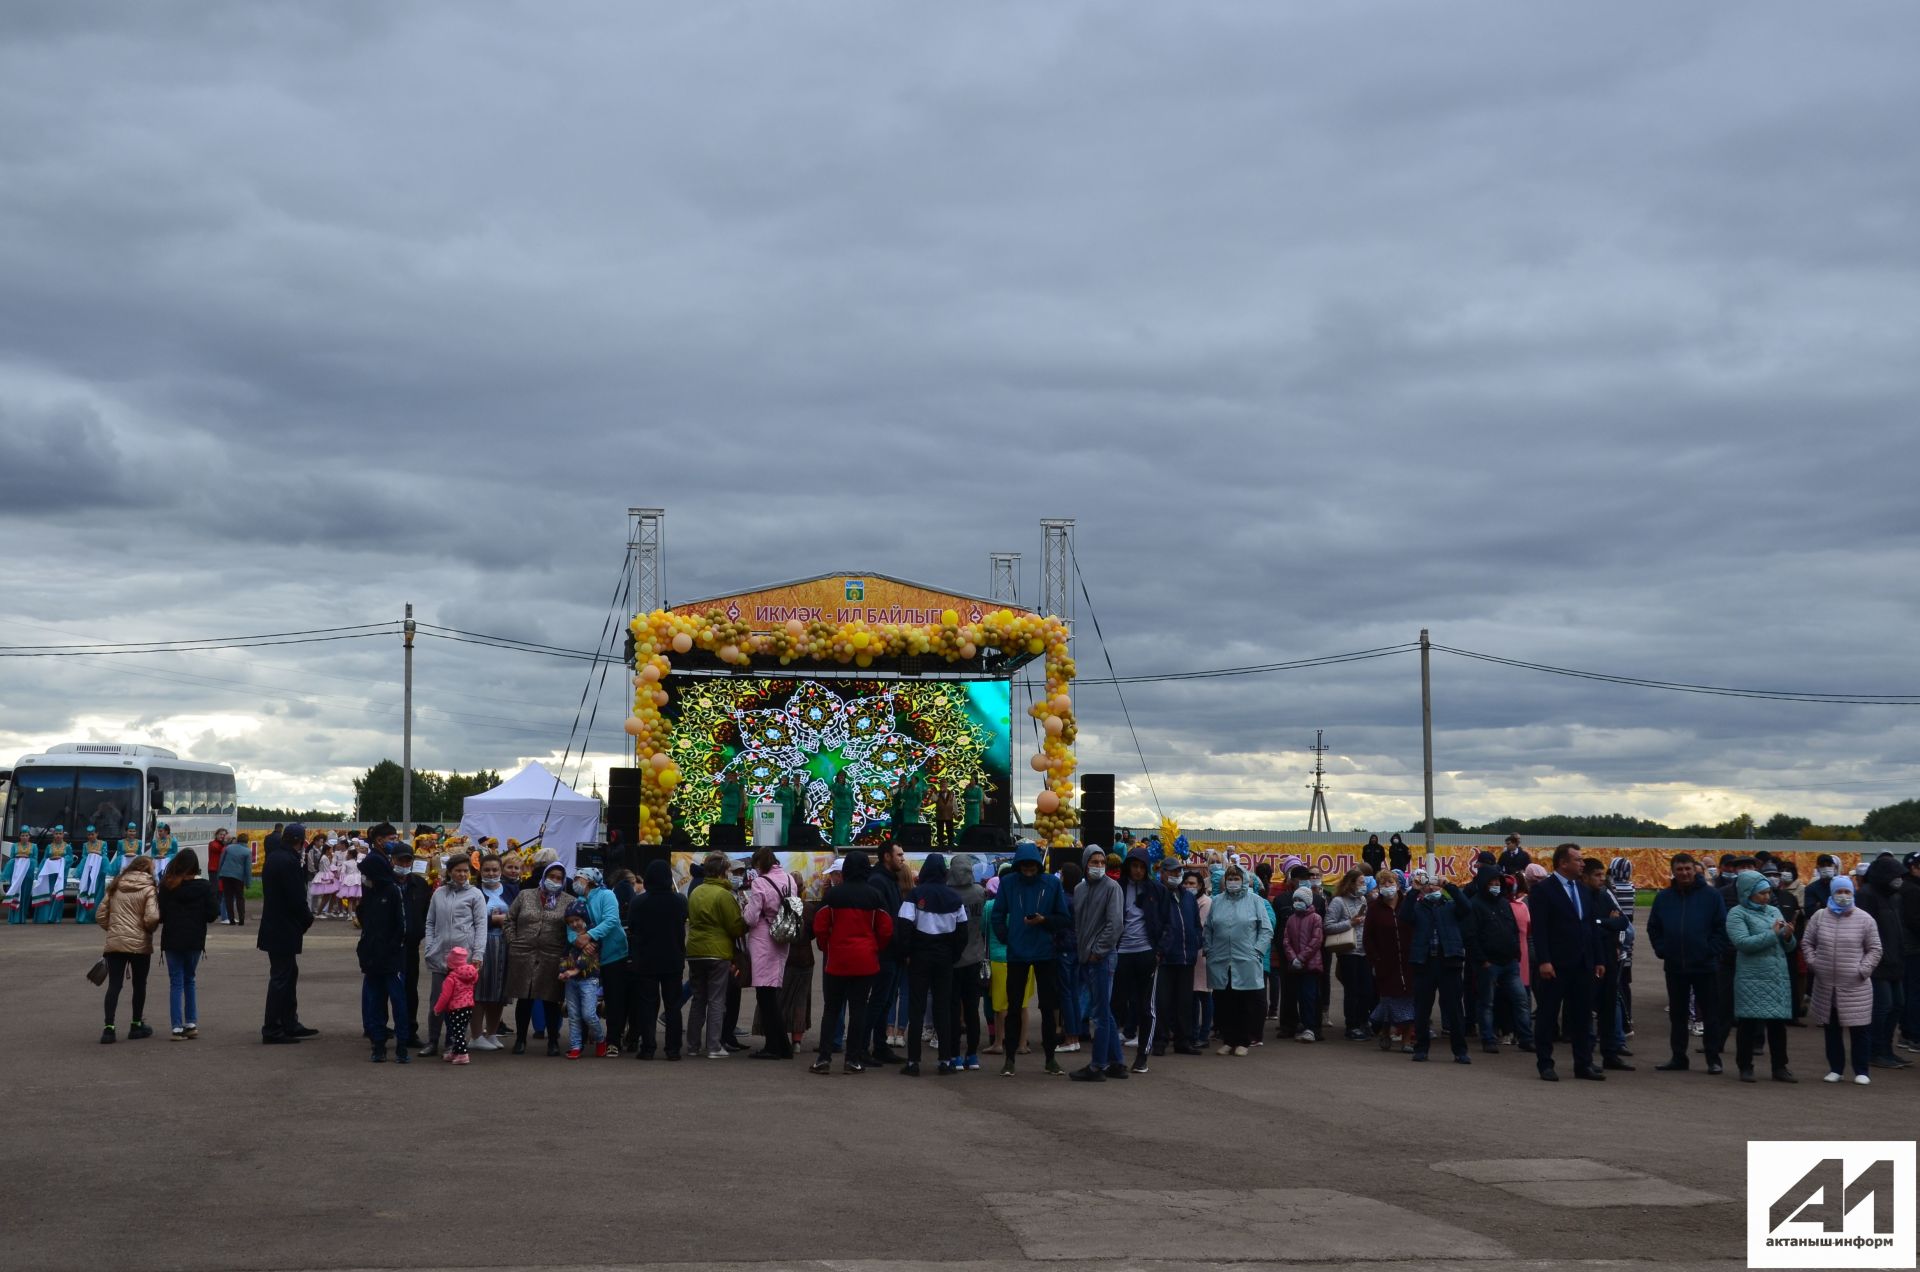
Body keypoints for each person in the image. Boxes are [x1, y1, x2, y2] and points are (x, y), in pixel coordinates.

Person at [991, 841, 1072, 1078]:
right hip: (1017, 953)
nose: (1028, 869)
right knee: (1013, 1007)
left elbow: (1063, 919)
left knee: (1048, 1008)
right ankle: (1009, 1059)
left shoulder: (1052, 883)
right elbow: (997, 915)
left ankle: (1050, 1058)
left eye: (1032, 866)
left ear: (1038, 865)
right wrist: (1007, 937)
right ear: (1018, 865)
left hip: (1046, 953)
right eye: (1024, 866)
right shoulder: (1008, 884)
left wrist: (1044, 921)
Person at [811, 850, 894, 1074]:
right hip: (865, 960)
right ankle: (853, 1059)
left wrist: (826, 945)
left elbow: (819, 925)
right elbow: (886, 929)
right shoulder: (875, 895)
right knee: (859, 1009)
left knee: (832, 1009)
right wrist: (875, 946)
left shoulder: (834, 895)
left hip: (837, 959)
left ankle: (824, 1058)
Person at [1528, 843, 1606, 1082]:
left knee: (1582, 1016)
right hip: (1556, 965)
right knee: (1548, 1015)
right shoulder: (1544, 891)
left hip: (1583, 963)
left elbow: (1591, 926)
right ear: (1563, 863)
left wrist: (1598, 958)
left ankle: (1583, 1063)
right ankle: (1545, 1064)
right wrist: (1544, 961)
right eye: (1578, 860)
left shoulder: (1583, 890)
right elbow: (1539, 930)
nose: (1583, 864)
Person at [1647, 852, 1728, 1073]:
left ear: (1695, 869)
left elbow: (1722, 928)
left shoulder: (1711, 896)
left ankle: (1713, 1058)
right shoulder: (1664, 897)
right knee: (1678, 1014)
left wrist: (1710, 951)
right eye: (1679, 869)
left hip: (1704, 965)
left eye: (1687, 869)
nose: (1684, 873)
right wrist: (1662, 949)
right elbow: (1654, 927)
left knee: (1710, 1014)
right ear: (1672, 871)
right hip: (1675, 966)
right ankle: (1678, 1057)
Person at [1802, 874, 1881, 1085]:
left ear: (1853, 893)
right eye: (1839, 892)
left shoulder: (1865, 919)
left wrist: (1862, 970)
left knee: (1859, 1029)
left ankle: (1861, 1070)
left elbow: (1874, 949)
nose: (1843, 896)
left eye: (1847, 892)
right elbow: (1807, 943)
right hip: (1826, 984)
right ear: (1832, 893)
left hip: (1856, 985)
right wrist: (1814, 963)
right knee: (1832, 1028)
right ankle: (1835, 1068)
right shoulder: (1819, 917)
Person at [896, 852, 967, 1075]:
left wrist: (906, 953)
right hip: (945, 958)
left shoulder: (915, 895)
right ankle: (945, 1060)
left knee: (916, 1008)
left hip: (919, 957)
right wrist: (953, 955)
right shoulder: (955, 898)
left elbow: (904, 926)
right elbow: (962, 933)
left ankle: (913, 1062)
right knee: (943, 1008)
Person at [1725, 869, 1797, 1083]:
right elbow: (1743, 943)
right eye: (1761, 893)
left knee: (1777, 1025)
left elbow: (1789, 947)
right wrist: (1773, 934)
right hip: (1752, 977)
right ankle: (1745, 1066)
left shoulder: (1774, 911)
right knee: (1748, 1023)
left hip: (1776, 976)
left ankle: (1780, 1067)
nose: (1767, 897)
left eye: (1768, 893)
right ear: (1748, 893)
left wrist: (1788, 936)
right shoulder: (1737, 913)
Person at [1112, 844, 1172, 1073]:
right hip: (1121, 953)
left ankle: (1142, 1055)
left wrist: (1158, 952)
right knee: (1116, 1004)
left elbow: (1168, 924)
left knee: (1147, 1007)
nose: (1137, 871)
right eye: (1133, 866)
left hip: (1147, 952)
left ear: (1147, 869)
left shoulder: (1158, 891)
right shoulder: (1117, 888)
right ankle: (1113, 1054)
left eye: (1141, 867)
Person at [257, 822, 317, 1045]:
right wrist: (307, 918)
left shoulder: (274, 858)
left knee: (288, 974)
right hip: (284, 927)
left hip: (275, 926)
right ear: (299, 841)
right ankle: (273, 1027)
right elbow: (296, 896)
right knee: (282, 977)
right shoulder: (289, 861)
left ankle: (288, 1022)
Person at [504, 856, 570, 1057]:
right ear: (543, 876)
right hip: (523, 954)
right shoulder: (525, 895)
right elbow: (509, 920)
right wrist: (513, 941)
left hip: (552, 955)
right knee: (525, 998)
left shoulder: (569, 901)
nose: (554, 880)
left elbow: (573, 928)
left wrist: (565, 954)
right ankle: (520, 1040)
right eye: (551, 876)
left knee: (551, 1000)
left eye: (559, 878)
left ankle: (553, 1041)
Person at [1068, 845, 1123, 1081]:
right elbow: (1079, 924)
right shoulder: (1080, 889)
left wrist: (1097, 952)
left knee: (1099, 1013)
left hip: (1103, 958)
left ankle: (1097, 1065)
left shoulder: (1112, 888)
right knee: (1103, 1010)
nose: (1099, 866)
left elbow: (1115, 924)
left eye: (1102, 862)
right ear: (1085, 863)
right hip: (1086, 957)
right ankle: (1117, 1063)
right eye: (1094, 862)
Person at [1204, 862, 1271, 1055]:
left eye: (1237, 878)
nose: (1233, 882)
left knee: (1245, 1001)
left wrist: (1257, 951)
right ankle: (1228, 1039)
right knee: (1224, 1001)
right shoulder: (1217, 900)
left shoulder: (1255, 901)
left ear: (1244, 881)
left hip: (1246, 959)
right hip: (1221, 959)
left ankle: (1244, 1040)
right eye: (1230, 878)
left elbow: (1266, 930)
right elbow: (1208, 928)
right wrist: (1209, 949)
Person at [422, 855, 487, 1057]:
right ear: (449, 871)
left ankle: (453, 1042)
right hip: (440, 956)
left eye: (466, 871)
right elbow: (430, 922)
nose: (462, 874)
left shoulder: (475, 895)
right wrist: (430, 946)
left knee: (457, 1004)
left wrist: (477, 954)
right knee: (436, 1001)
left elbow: (481, 926)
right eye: (458, 870)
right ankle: (433, 1040)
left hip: (463, 961)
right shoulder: (439, 893)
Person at [1405, 874, 1471, 1064]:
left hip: (1449, 961)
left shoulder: (1450, 907)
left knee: (1454, 1009)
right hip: (1424, 963)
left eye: (1436, 886)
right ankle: (1421, 1048)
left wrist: (1450, 886)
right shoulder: (1418, 907)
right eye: (1429, 886)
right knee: (1422, 1009)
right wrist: (1414, 891)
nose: (1432, 889)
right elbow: (1404, 916)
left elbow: (1467, 907)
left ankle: (1460, 1050)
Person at [686, 852, 746, 1059]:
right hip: (718, 952)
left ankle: (693, 1046)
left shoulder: (696, 892)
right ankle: (713, 1046)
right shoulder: (724, 895)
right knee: (717, 1000)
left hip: (695, 950)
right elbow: (735, 927)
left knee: (698, 998)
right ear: (722, 872)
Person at [1465, 865, 1531, 1055]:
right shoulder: (1475, 905)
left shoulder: (1503, 903)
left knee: (1521, 1000)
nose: (1495, 885)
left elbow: (1513, 930)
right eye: (1492, 882)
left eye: (1497, 882)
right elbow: (1471, 936)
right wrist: (1482, 960)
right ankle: (1488, 1038)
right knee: (1487, 1002)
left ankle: (1526, 1038)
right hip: (1489, 963)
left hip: (1509, 961)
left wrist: (1516, 953)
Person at [355, 848, 412, 1063]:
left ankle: (402, 1046)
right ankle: (378, 1044)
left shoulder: (393, 891)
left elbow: (402, 927)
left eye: (367, 874)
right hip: (371, 960)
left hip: (392, 960)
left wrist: (391, 950)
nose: (364, 878)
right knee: (375, 1004)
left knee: (398, 1003)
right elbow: (365, 923)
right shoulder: (369, 893)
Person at [97, 855, 161, 1043]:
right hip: (139, 945)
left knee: (114, 985)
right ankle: (136, 1024)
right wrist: (147, 931)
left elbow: (100, 914)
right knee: (139, 985)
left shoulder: (115, 885)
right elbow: (152, 917)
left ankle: (109, 1028)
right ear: (147, 870)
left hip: (115, 943)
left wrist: (114, 928)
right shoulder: (149, 888)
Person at [629, 859, 688, 1061]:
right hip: (673, 958)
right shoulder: (680, 901)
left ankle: (648, 1047)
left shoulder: (638, 902)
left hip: (646, 960)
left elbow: (633, 929)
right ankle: (673, 1049)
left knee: (647, 1005)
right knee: (673, 1005)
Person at [741, 847, 797, 1060]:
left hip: (764, 939)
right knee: (772, 991)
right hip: (784, 935)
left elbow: (751, 918)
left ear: (759, 865)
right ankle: (782, 1044)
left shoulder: (760, 883)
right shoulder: (790, 879)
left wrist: (745, 907)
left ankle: (775, 1046)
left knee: (765, 995)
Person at [156, 850, 218, 1041]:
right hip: (194, 938)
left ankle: (176, 1027)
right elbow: (212, 914)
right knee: (189, 979)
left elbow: (162, 915)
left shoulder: (167, 885)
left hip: (173, 938)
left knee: (176, 982)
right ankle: (191, 1023)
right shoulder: (204, 886)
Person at [1582, 858, 1635, 1071]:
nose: (1601, 879)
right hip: (1591, 960)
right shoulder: (1582, 897)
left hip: (1610, 959)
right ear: (1585, 877)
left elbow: (1622, 922)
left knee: (1608, 1007)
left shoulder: (1604, 896)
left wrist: (1601, 922)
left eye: (1603, 875)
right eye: (1597, 875)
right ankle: (1586, 1057)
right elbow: (1585, 925)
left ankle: (1610, 1053)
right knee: (1586, 1009)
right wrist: (1604, 923)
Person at [569, 866, 629, 1057]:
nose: (575, 882)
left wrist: (589, 936)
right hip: (588, 956)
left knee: (614, 998)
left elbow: (611, 920)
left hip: (613, 954)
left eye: (578, 878)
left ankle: (613, 1040)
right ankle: (585, 1037)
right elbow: (570, 925)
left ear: (589, 880)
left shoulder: (607, 895)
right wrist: (578, 941)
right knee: (585, 997)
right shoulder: (578, 901)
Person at [862, 839, 908, 1065]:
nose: (902, 858)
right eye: (899, 854)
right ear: (887, 857)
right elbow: (883, 919)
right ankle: (863, 1047)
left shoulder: (888, 879)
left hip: (893, 951)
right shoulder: (879, 881)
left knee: (886, 1000)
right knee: (879, 1001)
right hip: (885, 951)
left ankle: (880, 1046)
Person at [1153, 856, 1202, 1056]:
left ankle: (1184, 1041)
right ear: (1162, 873)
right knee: (1162, 1003)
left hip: (1186, 957)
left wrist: (1196, 942)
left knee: (1185, 1002)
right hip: (1164, 958)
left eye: (1178, 872)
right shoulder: (1156, 894)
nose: (1176, 875)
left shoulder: (1188, 897)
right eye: (1172, 872)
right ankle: (1160, 1041)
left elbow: (1196, 925)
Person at [469, 853, 516, 1051]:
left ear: (500, 871)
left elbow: (518, 914)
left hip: (505, 944)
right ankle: (476, 1035)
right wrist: (493, 920)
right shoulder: (474, 891)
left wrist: (506, 920)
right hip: (482, 943)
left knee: (499, 990)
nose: (491, 873)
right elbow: (470, 918)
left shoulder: (512, 889)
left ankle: (492, 1033)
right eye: (487, 870)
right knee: (479, 990)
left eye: (495, 870)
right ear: (481, 871)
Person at [1364, 869, 1415, 1051]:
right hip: (1386, 962)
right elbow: (1368, 937)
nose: (1387, 887)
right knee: (1389, 1000)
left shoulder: (1408, 904)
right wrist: (1375, 959)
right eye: (1383, 884)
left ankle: (1407, 1039)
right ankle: (1385, 1032)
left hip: (1408, 961)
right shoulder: (1374, 909)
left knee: (1410, 999)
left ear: (1398, 885)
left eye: (1390, 883)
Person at [946, 852, 988, 1070]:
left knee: (953, 1009)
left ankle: (954, 1055)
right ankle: (972, 1054)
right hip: (975, 956)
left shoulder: (947, 894)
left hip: (953, 960)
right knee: (972, 1010)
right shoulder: (980, 892)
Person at [1281, 885, 1325, 1044]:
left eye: (1300, 900)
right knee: (1298, 996)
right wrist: (1293, 958)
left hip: (1310, 966)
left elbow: (1316, 941)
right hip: (1295, 966)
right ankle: (1302, 1024)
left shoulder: (1316, 918)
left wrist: (1301, 958)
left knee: (1309, 996)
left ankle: (1311, 1027)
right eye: (1295, 900)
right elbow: (1286, 941)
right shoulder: (1291, 919)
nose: (1297, 903)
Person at [434, 946, 480, 1065]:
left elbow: (445, 996)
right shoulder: (471, 974)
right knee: (461, 1030)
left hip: (456, 1008)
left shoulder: (451, 978)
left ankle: (463, 1054)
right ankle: (455, 1052)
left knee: (457, 1032)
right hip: (468, 1007)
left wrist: (437, 1008)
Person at [31, 828, 69, 924]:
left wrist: (62, 859)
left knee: (58, 894)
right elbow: (44, 859)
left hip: (60, 875)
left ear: (63, 835)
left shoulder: (67, 846)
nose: (58, 835)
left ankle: (56, 917)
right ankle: (46, 916)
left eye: (60, 833)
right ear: (53, 835)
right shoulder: (49, 847)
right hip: (50, 874)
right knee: (49, 894)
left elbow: (70, 858)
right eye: (56, 833)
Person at [74, 827, 111, 922]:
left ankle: (95, 916)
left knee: (98, 892)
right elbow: (84, 857)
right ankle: (84, 917)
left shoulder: (103, 843)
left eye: (92, 834)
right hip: (88, 872)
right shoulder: (85, 845)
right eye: (89, 834)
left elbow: (104, 855)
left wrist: (95, 853)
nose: (90, 836)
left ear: (97, 834)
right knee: (86, 890)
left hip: (98, 872)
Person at [218, 832, 251, 926]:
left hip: (226, 875)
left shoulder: (228, 848)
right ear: (247, 841)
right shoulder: (247, 851)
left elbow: (221, 861)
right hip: (238, 877)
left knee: (228, 897)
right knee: (240, 898)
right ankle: (241, 919)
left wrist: (219, 874)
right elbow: (248, 869)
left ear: (237, 840)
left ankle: (231, 919)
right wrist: (248, 883)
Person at [3, 831, 35, 925]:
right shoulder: (14, 846)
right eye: (22, 835)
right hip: (16, 874)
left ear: (29, 837)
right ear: (20, 837)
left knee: (25, 894)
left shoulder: (34, 847)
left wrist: (27, 859)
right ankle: (13, 918)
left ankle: (22, 918)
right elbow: (11, 859)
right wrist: (18, 858)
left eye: (26, 835)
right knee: (15, 892)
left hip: (27, 874)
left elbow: (35, 860)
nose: (24, 837)